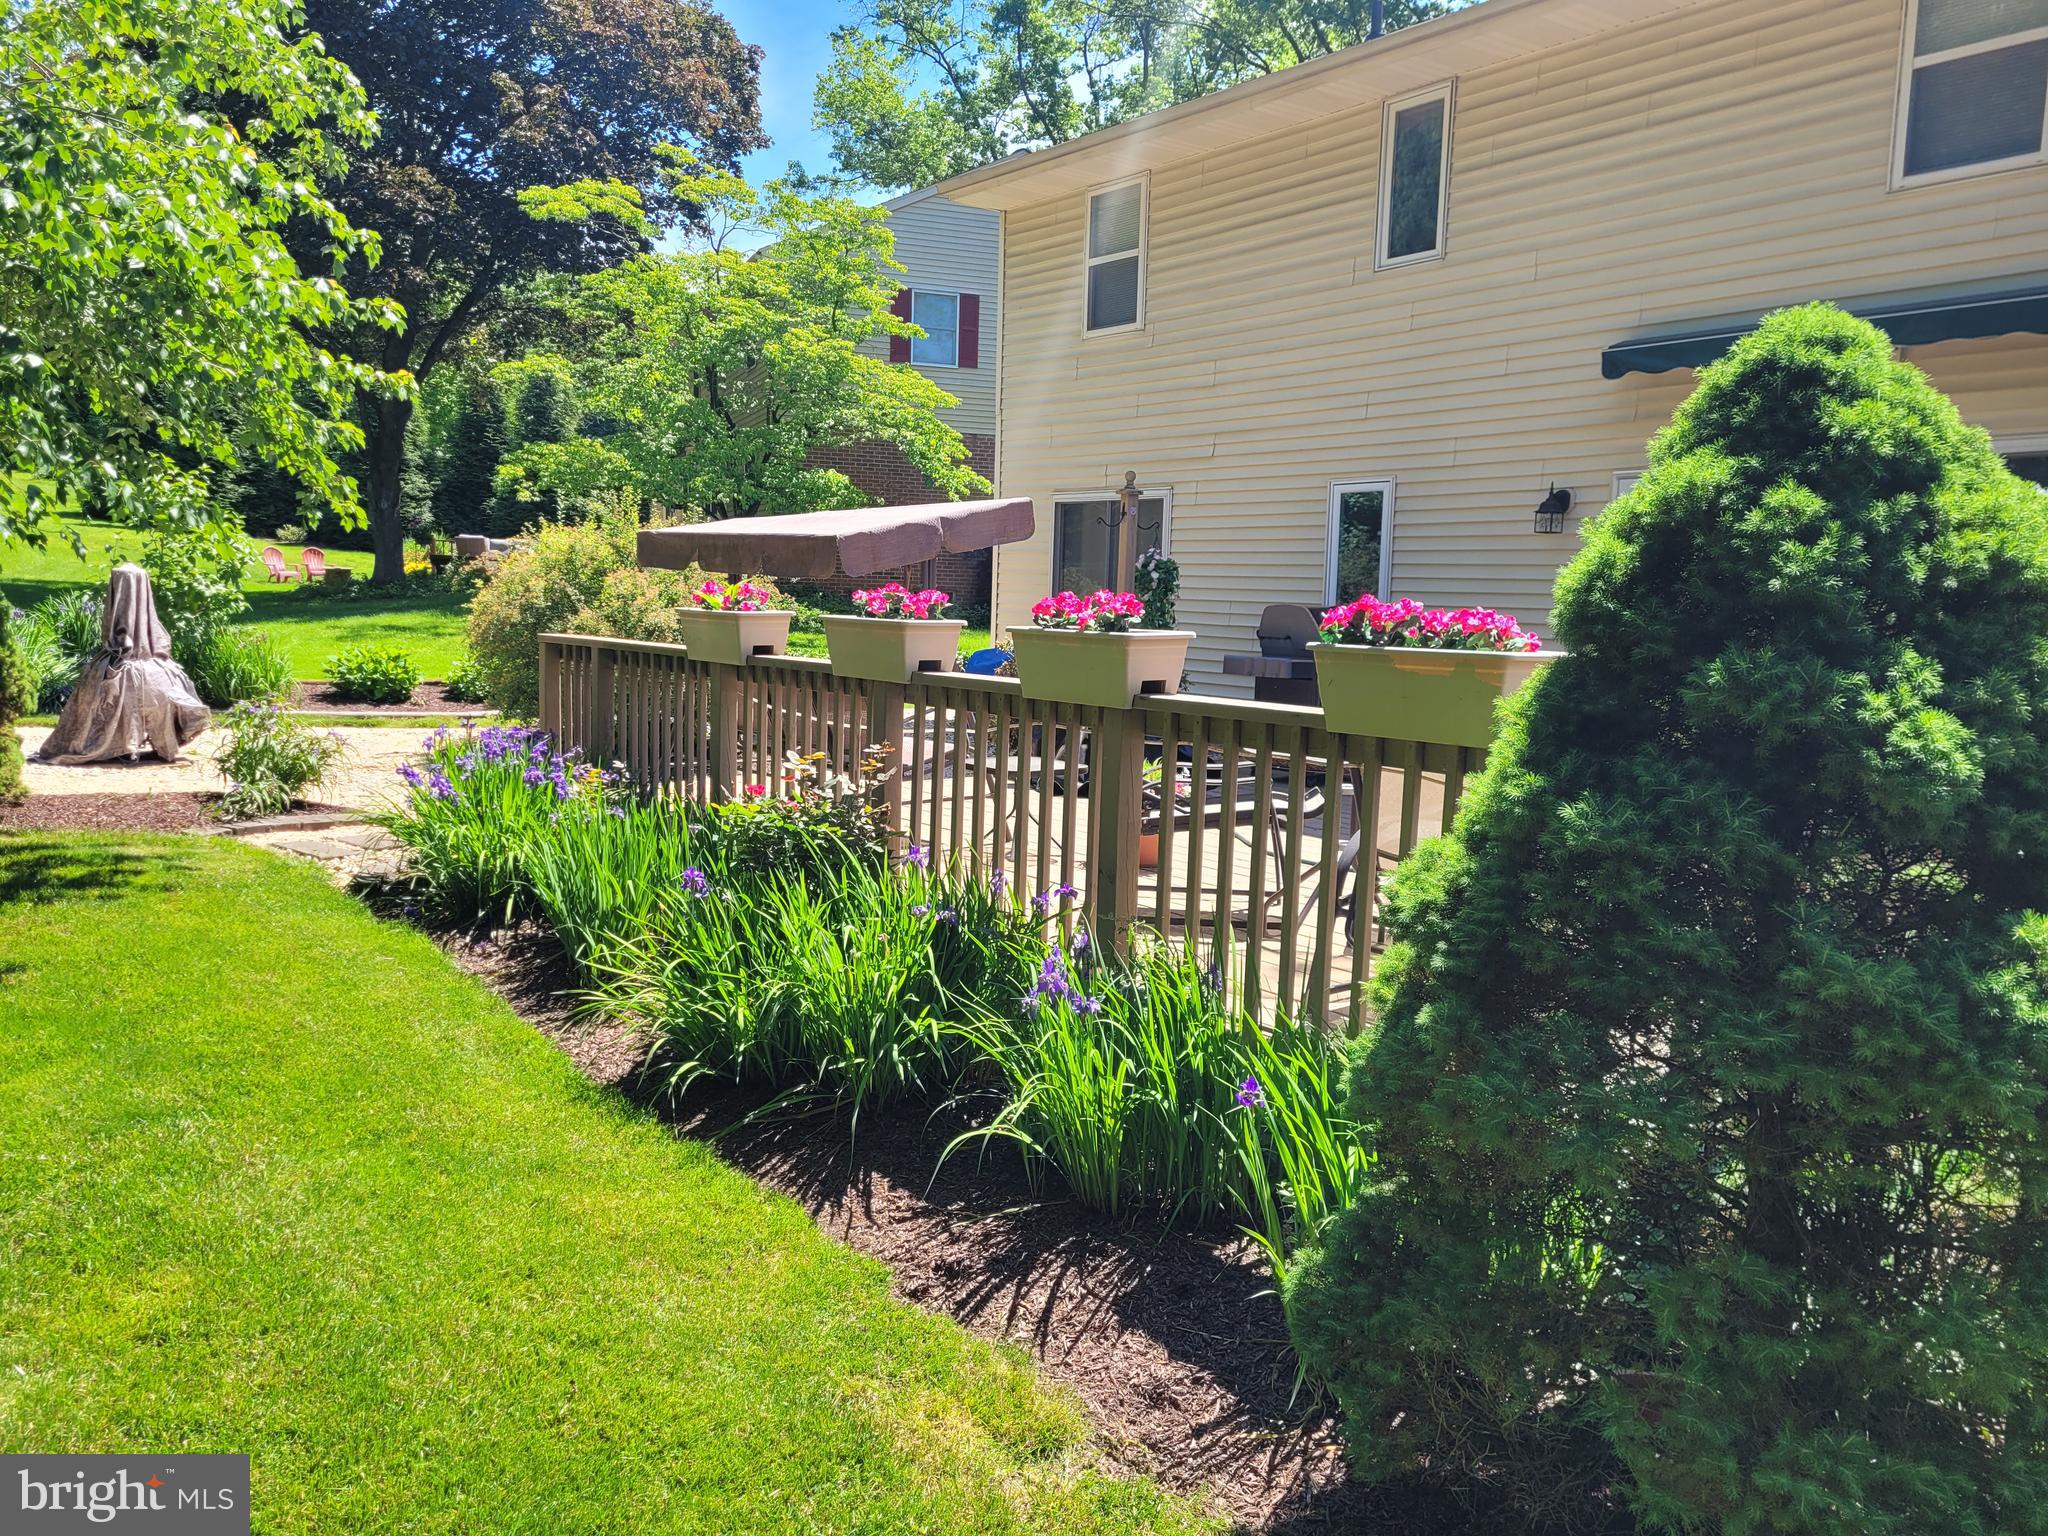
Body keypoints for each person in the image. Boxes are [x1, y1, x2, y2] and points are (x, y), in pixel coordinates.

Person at [36, 563, 209, 764]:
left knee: (108, 693)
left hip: (136, 669)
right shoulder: (162, 668)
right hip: (153, 673)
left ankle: (117, 745)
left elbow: (115, 632)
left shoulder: (114, 666)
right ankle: (141, 746)